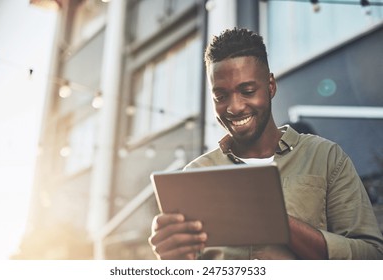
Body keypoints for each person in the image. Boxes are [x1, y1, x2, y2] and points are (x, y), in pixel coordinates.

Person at [148, 28, 383, 259]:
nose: (234, 107)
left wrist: (277, 220)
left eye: (247, 90)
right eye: (220, 96)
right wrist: (173, 260)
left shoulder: (325, 157)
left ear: (271, 86)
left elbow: (372, 258)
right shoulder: (195, 175)